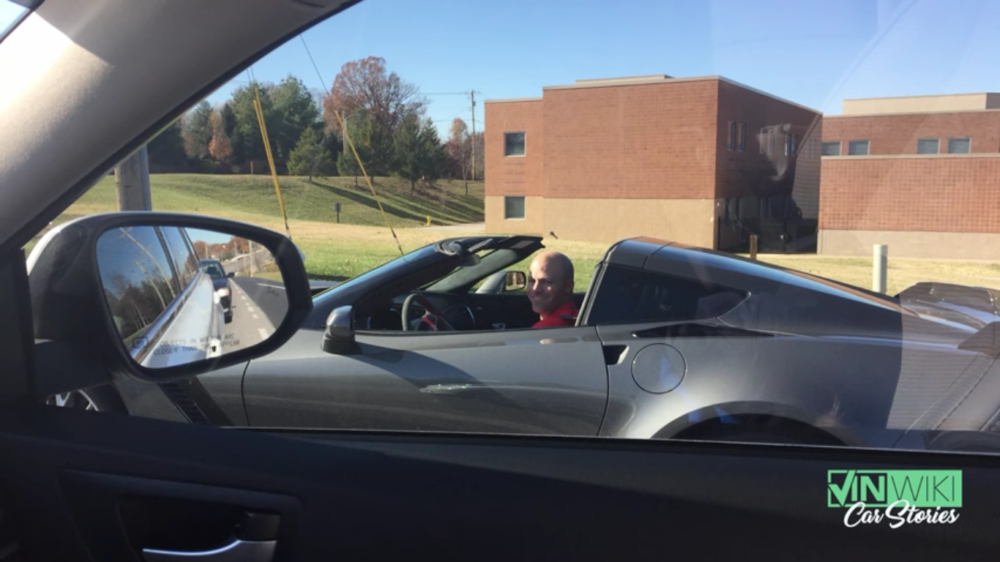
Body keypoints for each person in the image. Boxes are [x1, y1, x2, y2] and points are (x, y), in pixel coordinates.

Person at [526, 251, 578, 328]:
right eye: (531, 280)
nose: (535, 289)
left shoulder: (544, 330)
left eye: (547, 282)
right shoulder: (575, 315)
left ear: (568, 286)